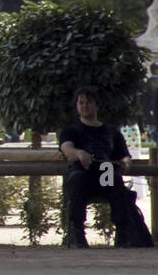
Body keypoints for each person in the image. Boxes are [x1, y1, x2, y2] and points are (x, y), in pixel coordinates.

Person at [58, 87, 154, 249]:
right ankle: (78, 233)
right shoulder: (70, 131)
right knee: (77, 180)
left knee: (116, 183)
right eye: (81, 103)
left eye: (88, 102)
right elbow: (67, 149)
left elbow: (124, 155)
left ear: (96, 105)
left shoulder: (111, 131)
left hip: (105, 172)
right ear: (76, 106)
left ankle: (122, 233)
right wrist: (79, 153)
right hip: (83, 171)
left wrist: (126, 163)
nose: (84, 106)